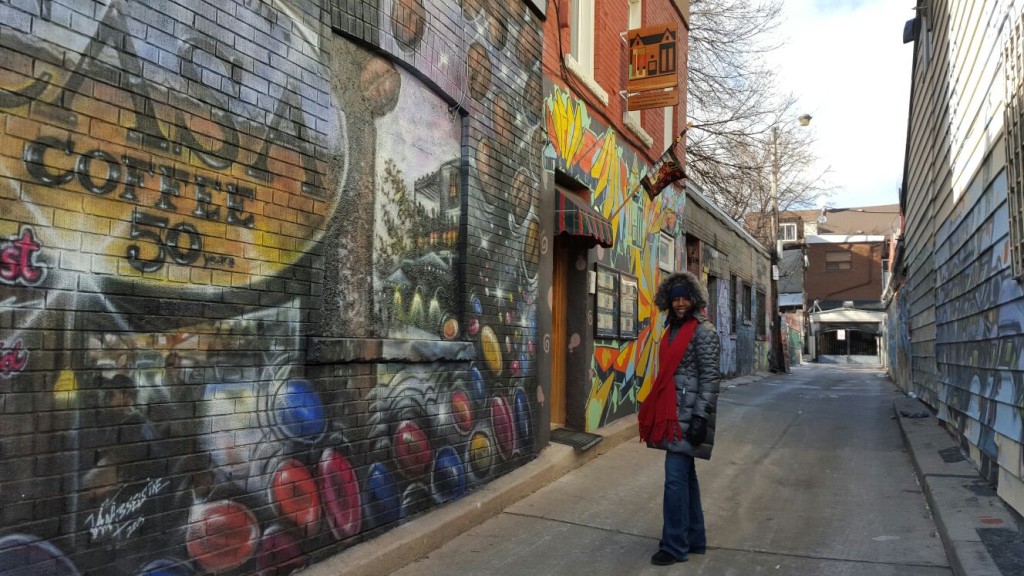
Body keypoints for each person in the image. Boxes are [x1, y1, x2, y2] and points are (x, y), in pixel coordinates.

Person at [638, 271, 721, 566]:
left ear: (695, 299)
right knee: (686, 478)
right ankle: (695, 539)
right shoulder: (671, 328)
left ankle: (674, 546)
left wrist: (700, 416)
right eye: (676, 299)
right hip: (675, 412)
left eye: (686, 298)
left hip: (688, 415)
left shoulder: (703, 331)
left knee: (674, 479)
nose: (681, 304)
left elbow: (710, 377)